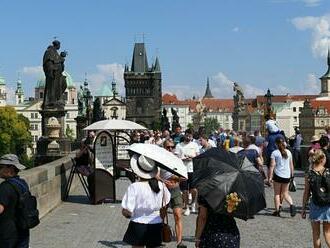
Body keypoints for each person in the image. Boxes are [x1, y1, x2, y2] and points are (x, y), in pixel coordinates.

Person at [122, 154, 170, 248]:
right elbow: (166, 203)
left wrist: (125, 212)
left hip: (138, 224)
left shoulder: (134, 187)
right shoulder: (161, 185)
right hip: (156, 223)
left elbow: (128, 211)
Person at [158, 139, 187, 248]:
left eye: (172, 147)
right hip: (164, 189)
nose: (170, 149)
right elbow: (155, 174)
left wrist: (178, 178)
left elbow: (183, 175)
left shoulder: (177, 160)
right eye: (168, 147)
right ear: (164, 147)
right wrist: (162, 180)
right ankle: (159, 237)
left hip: (175, 189)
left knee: (178, 215)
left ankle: (179, 242)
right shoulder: (159, 160)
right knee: (161, 215)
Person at [0, 154, 30, 248]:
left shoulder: (5, 187)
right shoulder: (22, 183)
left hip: (7, 235)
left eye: (1, 167)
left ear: (11, 168)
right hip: (22, 229)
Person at [302, 150, 330, 248]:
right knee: (327, 233)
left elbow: (306, 192)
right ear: (322, 160)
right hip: (328, 205)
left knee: (316, 233)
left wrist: (303, 208)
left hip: (315, 204)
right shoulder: (328, 172)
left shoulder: (309, 174)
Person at [268, 137, 296, 217]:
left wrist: (270, 177)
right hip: (287, 175)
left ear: (276, 144)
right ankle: (292, 205)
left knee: (277, 194)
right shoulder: (289, 152)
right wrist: (292, 175)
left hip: (278, 175)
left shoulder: (274, 153)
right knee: (285, 193)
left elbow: (272, 166)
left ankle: (277, 211)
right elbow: (291, 165)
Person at [176, 129, 200, 216]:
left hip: (192, 169)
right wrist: (183, 158)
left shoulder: (195, 145)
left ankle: (193, 203)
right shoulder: (179, 145)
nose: (188, 137)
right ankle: (186, 207)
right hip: (183, 170)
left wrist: (192, 157)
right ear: (185, 135)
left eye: (190, 136)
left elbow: (198, 156)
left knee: (194, 189)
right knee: (185, 190)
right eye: (187, 135)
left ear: (192, 136)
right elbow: (176, 157)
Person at [42, 40, 67, 109]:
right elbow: (48, 63)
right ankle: (51, 102)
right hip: (53, 74)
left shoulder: (56, 52)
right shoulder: (49, 51)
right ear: (57, 45)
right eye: (59, 45)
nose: (60, 46)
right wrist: (50, 71)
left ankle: (57, 100)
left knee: (64, 84)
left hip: (58, 74)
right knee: (52, 88)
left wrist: (62, 59)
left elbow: (59, 63)